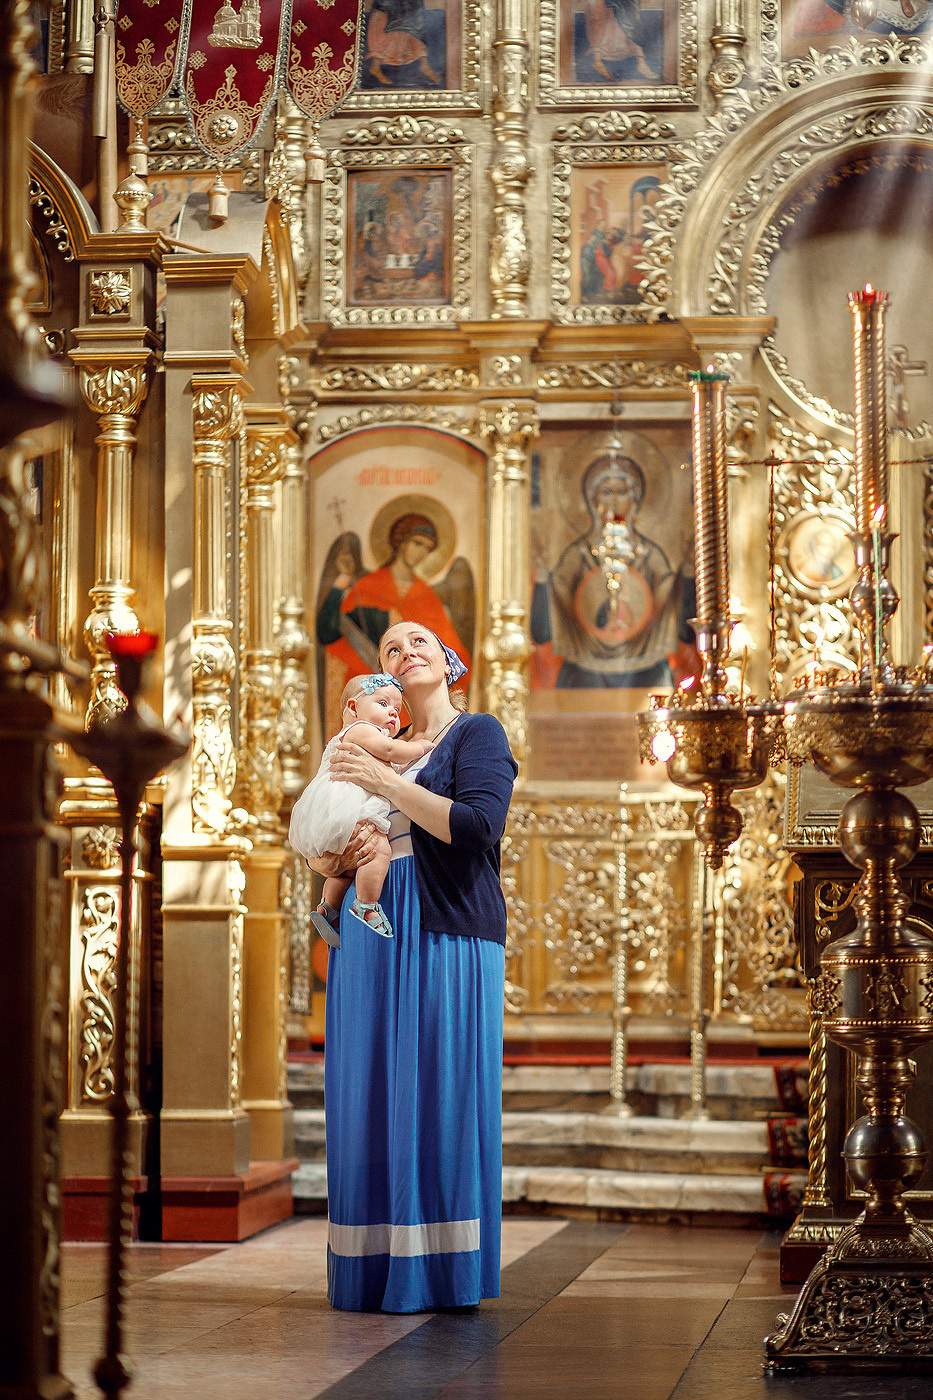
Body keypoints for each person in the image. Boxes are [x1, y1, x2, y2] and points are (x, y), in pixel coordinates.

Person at [306, 622, 518, 1312]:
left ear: (450, 662)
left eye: (421, 641)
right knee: (368, 1084)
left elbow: (479, 827)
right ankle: (369, 1268)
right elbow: (325, 833)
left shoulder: (474, 733)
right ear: (380, 680)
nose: (406, 653)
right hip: (371, 927)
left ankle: (441, 1269)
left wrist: (385, 783)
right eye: (391, 649)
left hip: (445, 925)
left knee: (439, 1086)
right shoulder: (365, 741)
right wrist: (331, 865)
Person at [288, 672, 435, 943]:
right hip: (351, 811)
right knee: (378, 849)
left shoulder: (361, 736)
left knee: (348, 869)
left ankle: (328, 907)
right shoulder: (363, 730)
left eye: (396, 709)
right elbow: (391, 753)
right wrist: (422, 747)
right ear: (354, 708)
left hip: (338, 815)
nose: (392, 713)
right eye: (383, 704)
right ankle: (366, 905)